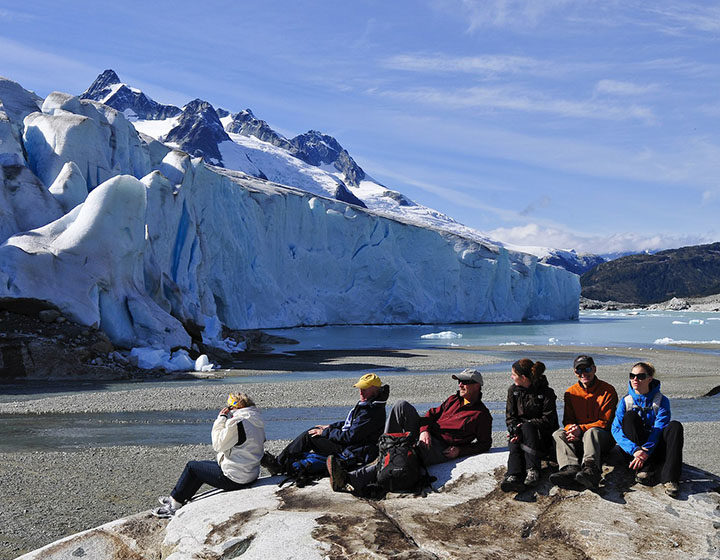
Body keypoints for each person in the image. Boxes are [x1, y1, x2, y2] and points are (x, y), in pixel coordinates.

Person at [327, 368, 492, 493]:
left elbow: (485, 444)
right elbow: (430, 414)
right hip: (426, 434)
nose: (460, 385)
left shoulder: (481, 415)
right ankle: (385, 445)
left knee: (402, 452)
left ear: (477, 386)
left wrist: (460, 451)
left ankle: (350, 479)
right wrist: (424, 430)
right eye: (459, 381)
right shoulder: (454, 399)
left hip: (440, 447)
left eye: (465, 382)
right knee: (401, 405)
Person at [153, 392, 265, 518]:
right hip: (250, 472)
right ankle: (178, 498)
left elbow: (218, 445)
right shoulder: (256, 419)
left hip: (236, 478)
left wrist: (221, 418)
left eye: (228, 407)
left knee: (192, 467)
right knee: (200, 467)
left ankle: (173, 507)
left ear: (234, 407)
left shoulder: (237, 422)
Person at [262, 373, 389, 476]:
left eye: (365, 389)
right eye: (361, 388)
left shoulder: (371, 411)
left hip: (352, 451)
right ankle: (282, 462)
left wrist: (325, 433)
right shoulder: (371, 405)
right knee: (315, 430)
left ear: (375, 390)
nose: (361, 392)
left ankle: (278, 465)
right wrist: (331, 426)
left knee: (310, 436)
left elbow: (350, 436)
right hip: (352, 446)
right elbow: (350, 424)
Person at [611, 362, 684, 498]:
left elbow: (659, 428)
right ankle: (644, 468)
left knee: (675, 426)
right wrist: (636, 450)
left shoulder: (661, 400)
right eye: (632, 376)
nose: (635, 380)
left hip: (654, 447)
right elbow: (615, 429)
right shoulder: (626, 401)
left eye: (640, 376)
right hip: (634, 450)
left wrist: (646, 450)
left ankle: (670, 478)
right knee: (630, 417)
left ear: (649, 378)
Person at [549, 355, 618, 489]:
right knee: (558, 433)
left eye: (587, 369)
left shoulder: (608, 391)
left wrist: (580, 429)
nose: (583, 374)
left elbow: (605, 422)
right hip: (578, 437)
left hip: (601, 439)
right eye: (579, 370)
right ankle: (570, 468)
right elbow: (567, 420)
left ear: (594, 369)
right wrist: (571, 429)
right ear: (575, 372)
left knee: (591, 432)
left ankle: (591, 470)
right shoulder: (570, 392)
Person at [501, 358, 558, 492]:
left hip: (542, 436)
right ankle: (513, 475)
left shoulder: (546, 393)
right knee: (515, 438)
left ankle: (533, 470)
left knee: (527, 428)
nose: (511, 377)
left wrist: (525, 425)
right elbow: (510, 416)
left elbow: (549, 420)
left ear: (524, 377)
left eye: (514, 374)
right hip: (522, 433)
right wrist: (514, 429)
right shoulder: (513, 391)